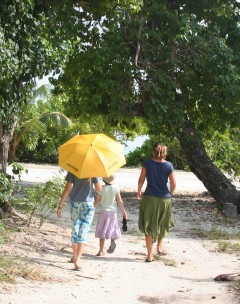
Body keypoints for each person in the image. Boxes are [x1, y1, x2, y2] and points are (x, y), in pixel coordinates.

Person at [137, 143, 176, 262]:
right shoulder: (169, 165)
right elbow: (173, 183)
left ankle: (149, 255)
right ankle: (159, 246)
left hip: (149, 197)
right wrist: (170, 193)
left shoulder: (147, 163)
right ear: (165, 153)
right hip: (164, 198)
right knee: (162, 222)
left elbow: (141, 180)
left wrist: (138, 191)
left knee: (148, 224)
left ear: (153, 151)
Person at [57, 172, 102, 270]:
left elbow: (68, 189)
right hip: (88, 205)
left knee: (75, 230)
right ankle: (77, 260)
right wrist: (96, 199)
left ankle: (74, 256)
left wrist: (60, 206)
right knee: (84, 231)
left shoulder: (73, 169)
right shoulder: (93, 171)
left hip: (75, 204)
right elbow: (99, 189)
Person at [94, 174, 127, 256]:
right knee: (112, 227)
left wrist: (92, 209)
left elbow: (97, 201)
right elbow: (119, 201)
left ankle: (101, 251)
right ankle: (112, 241)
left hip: (103, 212)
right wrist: (124, 212)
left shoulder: (100, 188)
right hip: (112, 212)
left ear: (103, 180)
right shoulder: (115, 188)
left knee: (102, 230)